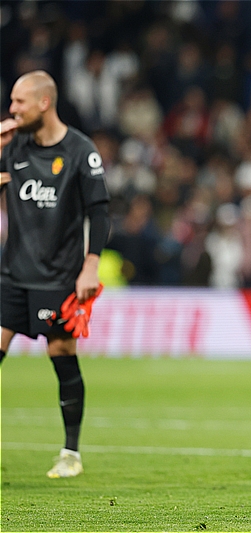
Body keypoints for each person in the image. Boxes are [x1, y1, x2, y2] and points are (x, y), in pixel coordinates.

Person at [0, 70, 110, 478]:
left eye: (18, 102)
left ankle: (70, 454)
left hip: (59, 276)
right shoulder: (12, 147)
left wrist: (91, 264)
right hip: (11, 273)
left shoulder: (81, 151)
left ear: (43, 103)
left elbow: (99, 212)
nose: (11, 110)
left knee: (61, 354)